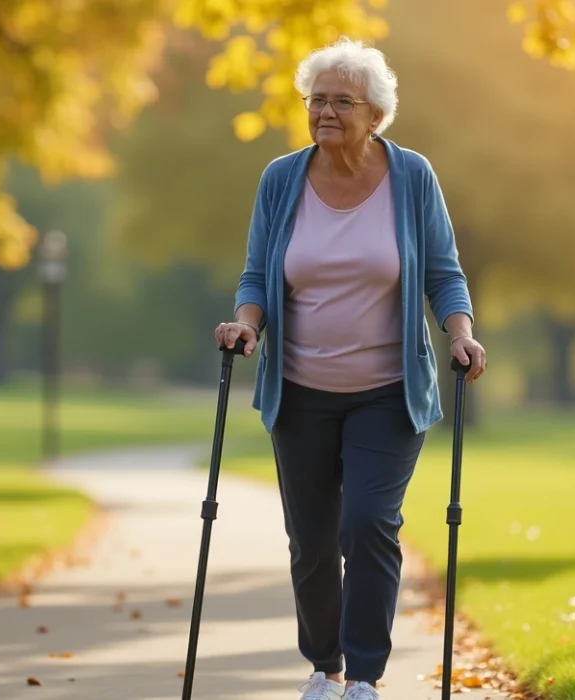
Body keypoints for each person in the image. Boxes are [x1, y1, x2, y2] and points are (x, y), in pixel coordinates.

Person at [213, 37, 487, 700]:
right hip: (299, 392)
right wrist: (246, 325)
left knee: (366, 523)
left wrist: (461, 335)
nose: (325, 112)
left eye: (342, 101)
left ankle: (363, 674)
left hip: (387, 395)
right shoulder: (282, 179)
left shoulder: (411, 177)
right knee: (310, 541)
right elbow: (257, 273)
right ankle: (323, 666)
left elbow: (444, 274)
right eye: (316, 100)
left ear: (375, 115)